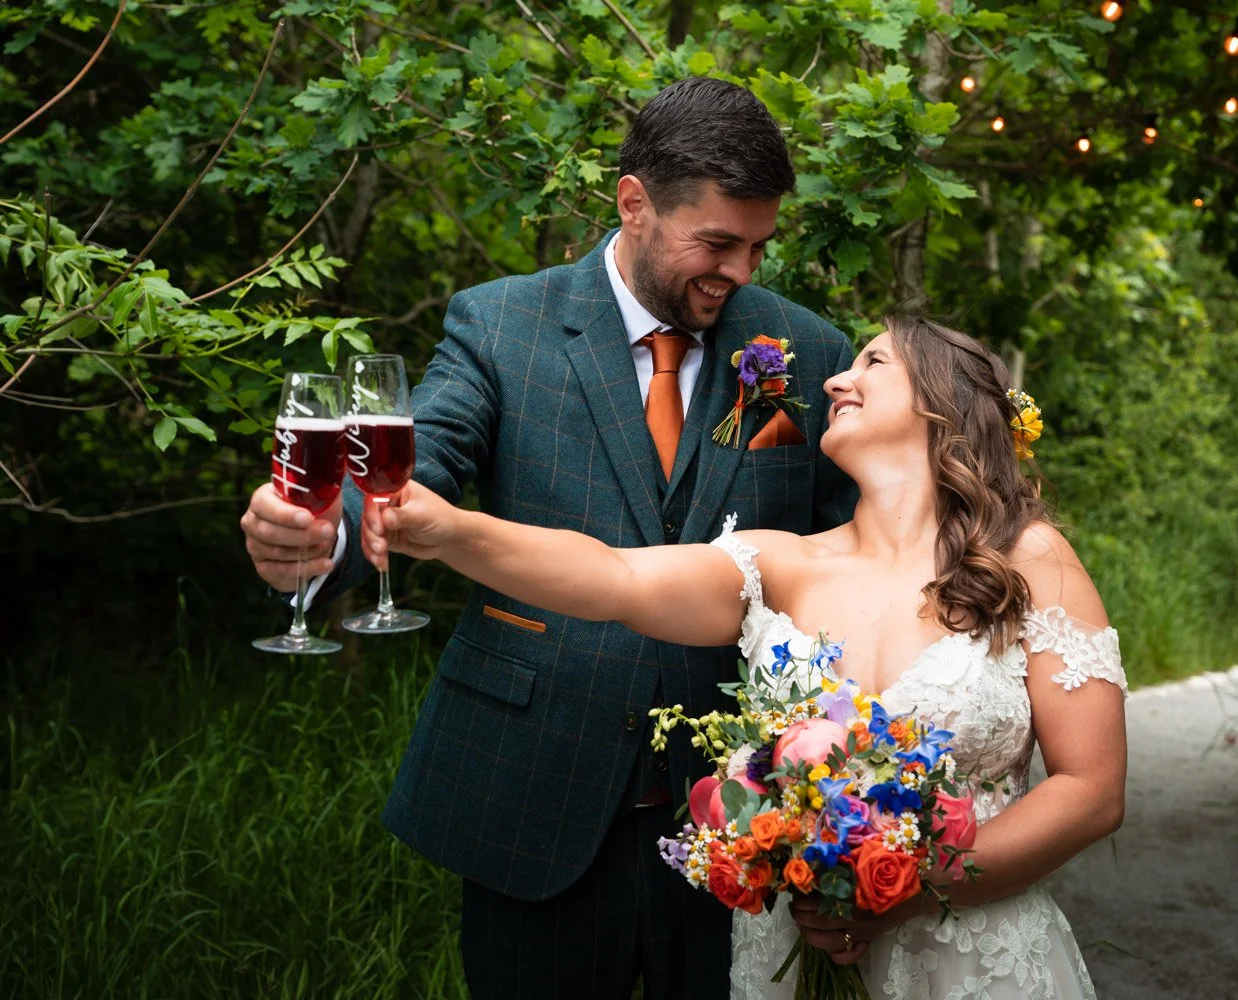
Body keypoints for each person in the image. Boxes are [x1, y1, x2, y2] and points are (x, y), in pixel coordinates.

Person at [238, 77, 858, 1000]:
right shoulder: (501, 325)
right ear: (634, 203)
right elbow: (422, 463)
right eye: (718, 243)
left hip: (748, 821)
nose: (741, 273)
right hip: (534, 800)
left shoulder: (804, 349)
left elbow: (859, 549)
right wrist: (323, 540)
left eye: (758, 247)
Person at [361, 316, 1129, 999]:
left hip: (975, 957)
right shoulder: (779, 564)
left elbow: (1091, 789)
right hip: (791, 954)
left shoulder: (1031, 559)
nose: (837, 378)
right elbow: (614, 577)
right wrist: (449, 531)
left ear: (941, 404)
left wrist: (912, 891)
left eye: (873, 363)